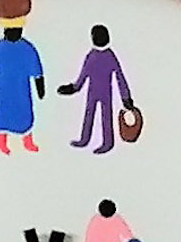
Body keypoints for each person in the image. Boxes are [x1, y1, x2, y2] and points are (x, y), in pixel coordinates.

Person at [58, 25, 135, 155]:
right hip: (95, 91)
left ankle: (107, 142)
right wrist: (74, 87)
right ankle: (85, 139)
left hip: (103, 92)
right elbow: (84, 74)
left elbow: (119, 77)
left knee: (104, 116)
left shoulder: (104, 56)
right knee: (91, 115)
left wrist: (125, 97)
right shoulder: (95, 55)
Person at [0, 27, 45, 154]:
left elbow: (36, 67)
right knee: (2, 112)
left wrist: (39, 85)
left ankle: (27, 140)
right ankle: (1, 140)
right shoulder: (0, 47)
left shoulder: (26, 48)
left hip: (21, 88)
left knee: (24, 112)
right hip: (4, 88)